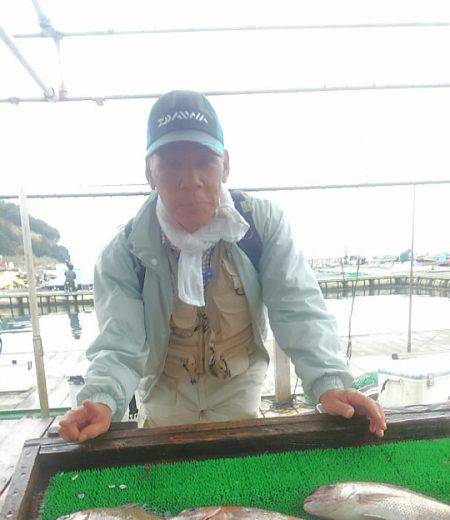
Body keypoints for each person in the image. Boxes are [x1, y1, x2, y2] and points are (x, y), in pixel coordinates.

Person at [59, 90, 386, 443]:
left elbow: (299, 309)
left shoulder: (261, 225)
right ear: (149, 172)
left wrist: (329, 382)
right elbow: (118, 345)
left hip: (239, 391)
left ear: (226, 165)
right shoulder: (123, 253)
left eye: (204, 161)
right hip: (165, 399)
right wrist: (103, 400)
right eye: (171, 164)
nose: (191, 180)